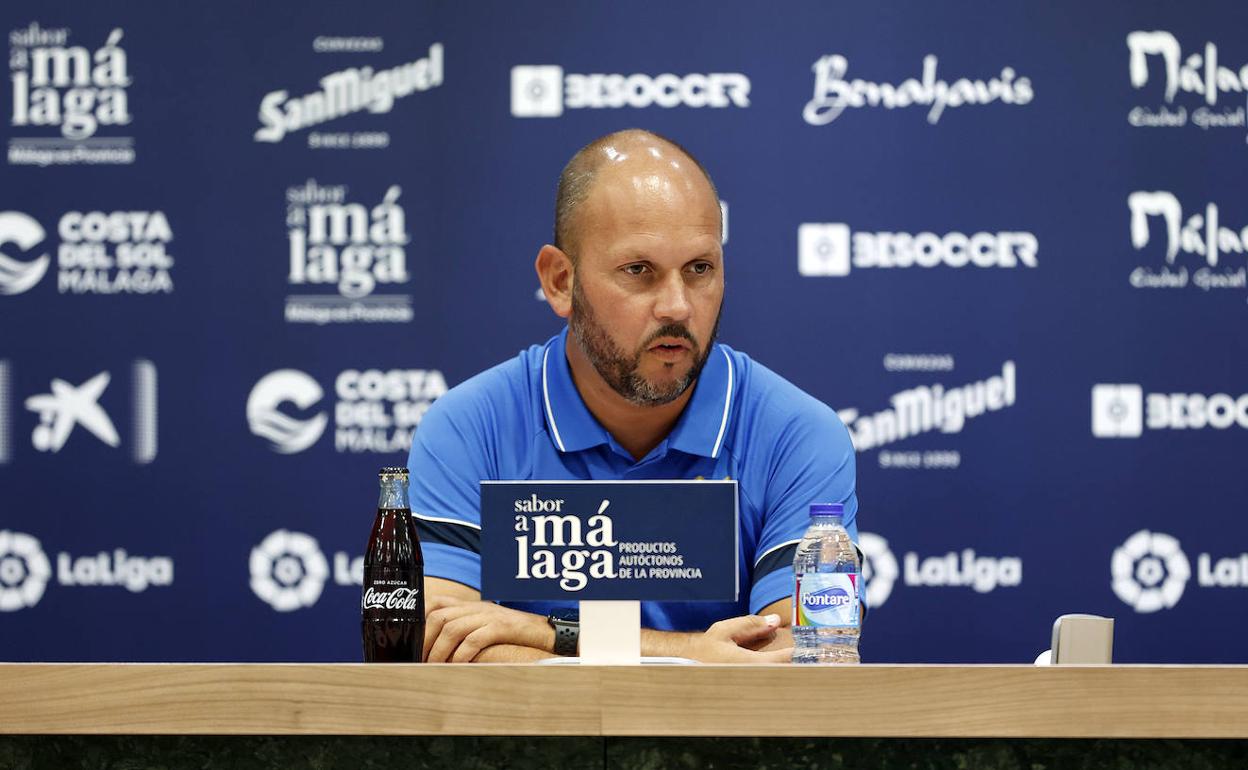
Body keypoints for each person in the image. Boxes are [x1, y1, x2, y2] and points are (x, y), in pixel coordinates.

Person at [408, 128, 860, 663]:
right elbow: (439, 645)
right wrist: (693, 656)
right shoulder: (469, 429)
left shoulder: (797, 435)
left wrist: (543, 634)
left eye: (699, 269)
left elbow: (802, 657)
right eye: (639, 271)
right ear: (560, 281)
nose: (677, 306)